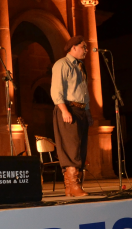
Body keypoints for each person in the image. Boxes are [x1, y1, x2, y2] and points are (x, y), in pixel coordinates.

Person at [51, 35, 93, 197]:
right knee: (71, 147)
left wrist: (87, 111)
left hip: (80, 110)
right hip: (68, 108)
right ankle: (73, 184)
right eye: (83, 47)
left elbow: (84, 92)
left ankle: (71, 187)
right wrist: (64, 110)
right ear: (73, 47)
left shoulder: (80, 67)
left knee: (80, 148)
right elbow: (56, 90)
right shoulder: (62, 64)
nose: (86, 50)